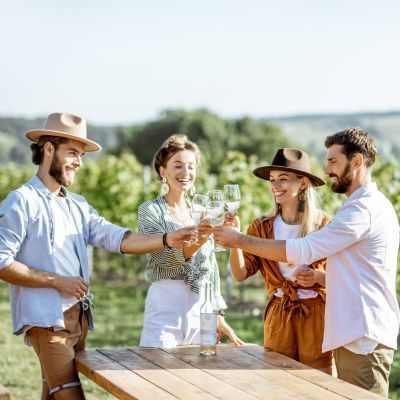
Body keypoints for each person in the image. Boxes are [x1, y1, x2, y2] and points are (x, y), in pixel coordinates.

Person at [0, 112, 195, 400]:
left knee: (53, 393)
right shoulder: (22, 201)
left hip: (78, 319)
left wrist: (167, 239)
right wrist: (58, 281)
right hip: (47, 321)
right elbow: (2, 262)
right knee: (69, 394)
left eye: (81, 155)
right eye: (73, 153)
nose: (79, 161)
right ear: (49, 149)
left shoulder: (78, 205)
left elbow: (118, 238)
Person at [214, 128, 399, 397]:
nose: (327, 169)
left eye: (333, 161)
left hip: (361, 333)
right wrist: (238, 241)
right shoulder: (358, 206)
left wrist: (238, 240)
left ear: (357, 161)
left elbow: (304, 250)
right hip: (350, 331)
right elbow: (349, 272)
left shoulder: (361, 210)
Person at [225, 148, 332, 373]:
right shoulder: (261, 226)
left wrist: (318, 277)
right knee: (277, 382)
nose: (275, 186)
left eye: (283, 179)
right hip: (280, 314)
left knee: (318, 384)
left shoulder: (324, 225)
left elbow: (342, 277)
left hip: (315, 316)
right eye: (272, 180)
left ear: (302, 183)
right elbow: (239, 274)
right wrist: (235, 241)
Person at [138, 134, 243, 348]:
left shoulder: (203, 212)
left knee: (201, 376)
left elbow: (210, 268)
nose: (186, 173)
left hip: (201, 308)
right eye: (178, 166)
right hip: (166, 305)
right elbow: (164, 258)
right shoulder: (149, 211)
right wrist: (201, 238)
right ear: (162, 171)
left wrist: (217, 314)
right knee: (155, 373)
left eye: (191, 166)